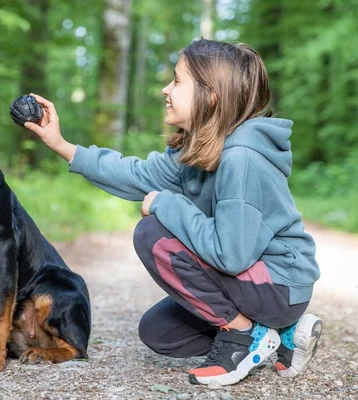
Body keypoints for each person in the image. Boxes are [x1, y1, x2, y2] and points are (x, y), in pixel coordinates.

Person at [24, 38, 322, 386]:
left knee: (152, 234)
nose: (166, 89)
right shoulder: (199, 151)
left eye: (177, 81)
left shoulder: (242, 158)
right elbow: (135, 174)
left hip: (279, 285)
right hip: (257, 284)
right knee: (161, 333)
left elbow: (232, 255)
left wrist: (167, 203)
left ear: (210, 95)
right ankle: (283, 334)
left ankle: (243, 337)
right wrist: (62, 145)